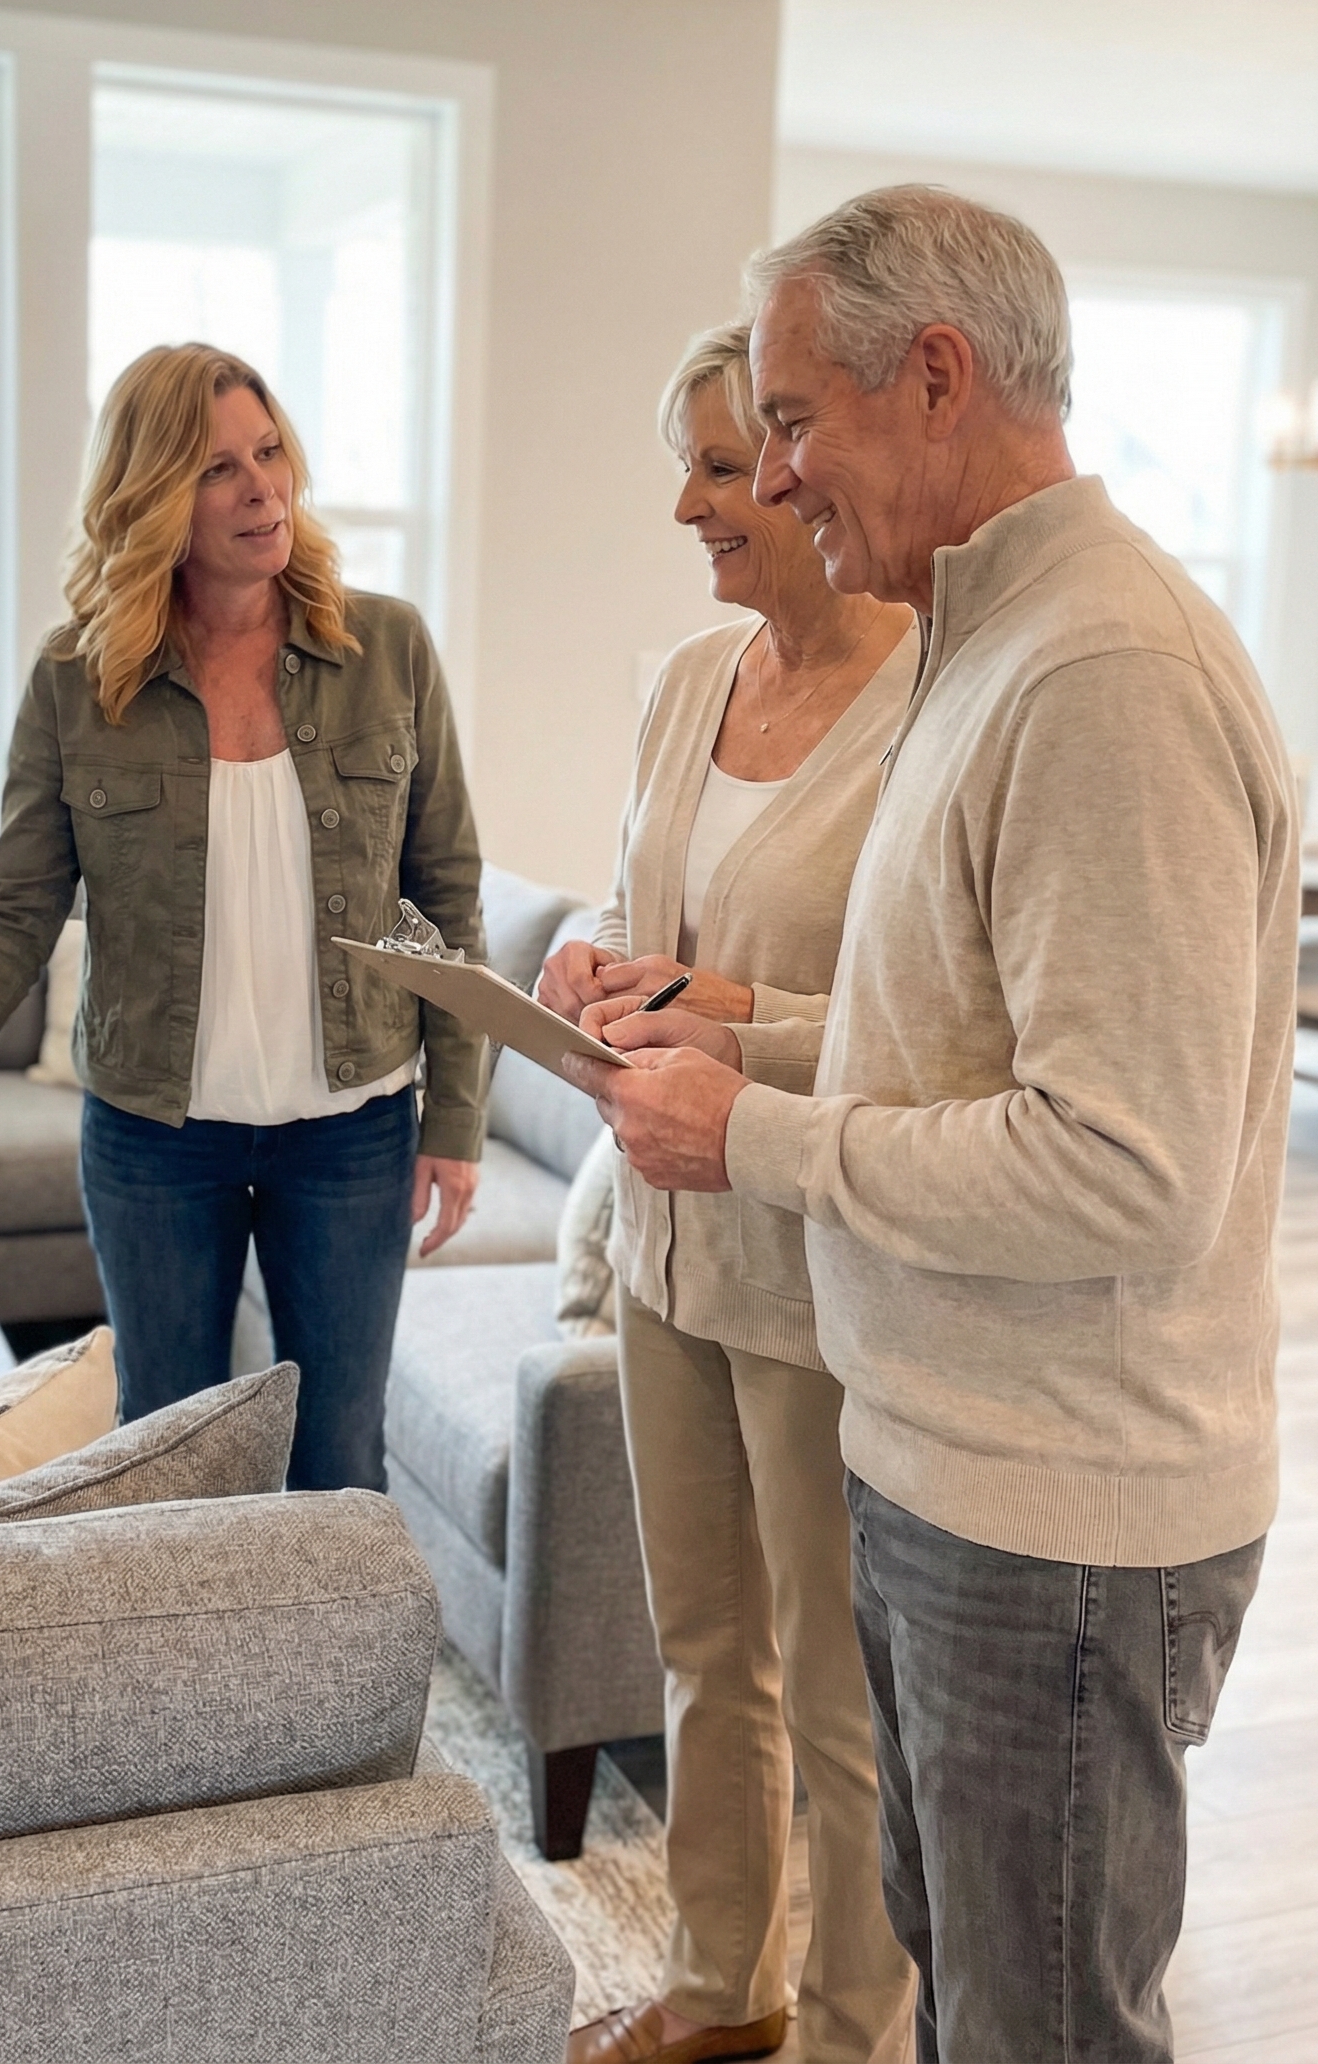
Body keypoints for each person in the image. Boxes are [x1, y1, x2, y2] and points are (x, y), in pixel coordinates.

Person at [568, 187, 1297, 2064]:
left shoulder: (1100, 675)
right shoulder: (985, 644)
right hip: (943, 1471)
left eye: (792, 421)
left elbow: (1116, 1167)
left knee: (1035, 2027)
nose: (777, 474)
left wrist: (753, 1140)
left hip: (1053, 1525)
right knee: (965, 2003)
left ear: (941, 380)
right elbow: (939, 1045)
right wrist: (736, 1031)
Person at [0, 342, 485, 1492]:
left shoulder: (386, 645)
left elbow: (445, 894)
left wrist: (454, 1112)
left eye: (269, 454)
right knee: (165, 1463)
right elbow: (14, 912)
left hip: (352, 1129)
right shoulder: (76, 678)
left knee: (338, 1461)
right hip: (156, 1140)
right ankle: (187, 1683)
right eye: (218, 470)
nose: (262, 491)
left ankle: (323, 1681)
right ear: (153, 499)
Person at [539, 324, 917, 2064]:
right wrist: (585, 962)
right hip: (662, 1235)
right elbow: (646, 923)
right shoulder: (687, 681)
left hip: (814, 1252)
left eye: (719, 464)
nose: (691, 505)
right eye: (692, 467)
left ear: (792, 467)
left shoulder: (933, 697)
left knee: (837, 1699)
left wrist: (727, 1026)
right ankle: (720, 1982)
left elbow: (928, 1036)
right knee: (703, 1646)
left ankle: (849, 2029)